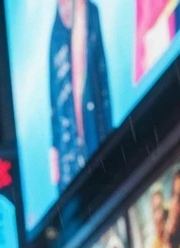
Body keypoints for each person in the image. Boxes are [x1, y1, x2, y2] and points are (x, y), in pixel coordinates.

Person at [49, 0, 113, 193]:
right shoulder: (55, 36)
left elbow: (102, 80)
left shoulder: (90, 14)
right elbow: (54, 105)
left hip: (97, 137)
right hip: (70, 157)